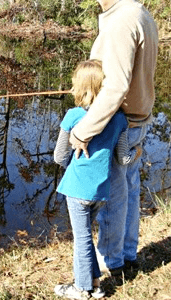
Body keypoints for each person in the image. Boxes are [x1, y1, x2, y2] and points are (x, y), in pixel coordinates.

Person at [69, 0, 158, 275]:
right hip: (137, 123)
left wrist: (83, 130)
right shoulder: (142, 15)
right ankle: (126, 253)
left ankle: (113, 262)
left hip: (119, 127)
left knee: (113, 200)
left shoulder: (121, 22)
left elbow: (117, 86)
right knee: (130, 194)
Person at [54, 59, 132, 300]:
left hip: (77, 189)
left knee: (82, 239)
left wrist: (73, 163)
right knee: (86, 235)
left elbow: (59, 156)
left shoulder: (73, 116)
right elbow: (123, 159)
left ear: (79, 86)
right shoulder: (119, 119)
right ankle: (96, 285)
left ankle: (81, 288)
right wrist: (137, 153)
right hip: (101, 190)